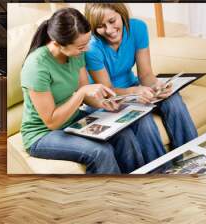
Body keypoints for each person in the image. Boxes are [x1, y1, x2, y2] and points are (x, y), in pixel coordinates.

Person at [21, 8, 151, 174]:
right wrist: (81, 93)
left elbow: (88, 95)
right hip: (42, 134)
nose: (87, 49)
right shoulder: (36, 66)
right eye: (81, 47)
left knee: (123, 135)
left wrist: (105, 103)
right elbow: (52, 121)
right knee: (100, 152)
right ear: (57, 44)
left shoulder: (77, 53)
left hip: (71, 120)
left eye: (87, 43)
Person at [84, 3, 198, 150]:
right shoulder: (92, 48)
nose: (109, 30)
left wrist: (156, 86)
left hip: (133, 87)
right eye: (100, 26)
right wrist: (133, 92)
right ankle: (160, 170)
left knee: (173, 100)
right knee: (142, 119)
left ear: (122, 13)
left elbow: (145, 74)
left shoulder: (137, 28)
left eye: (112, 21)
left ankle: (193, 155)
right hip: (108, 99)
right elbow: (108, 93)